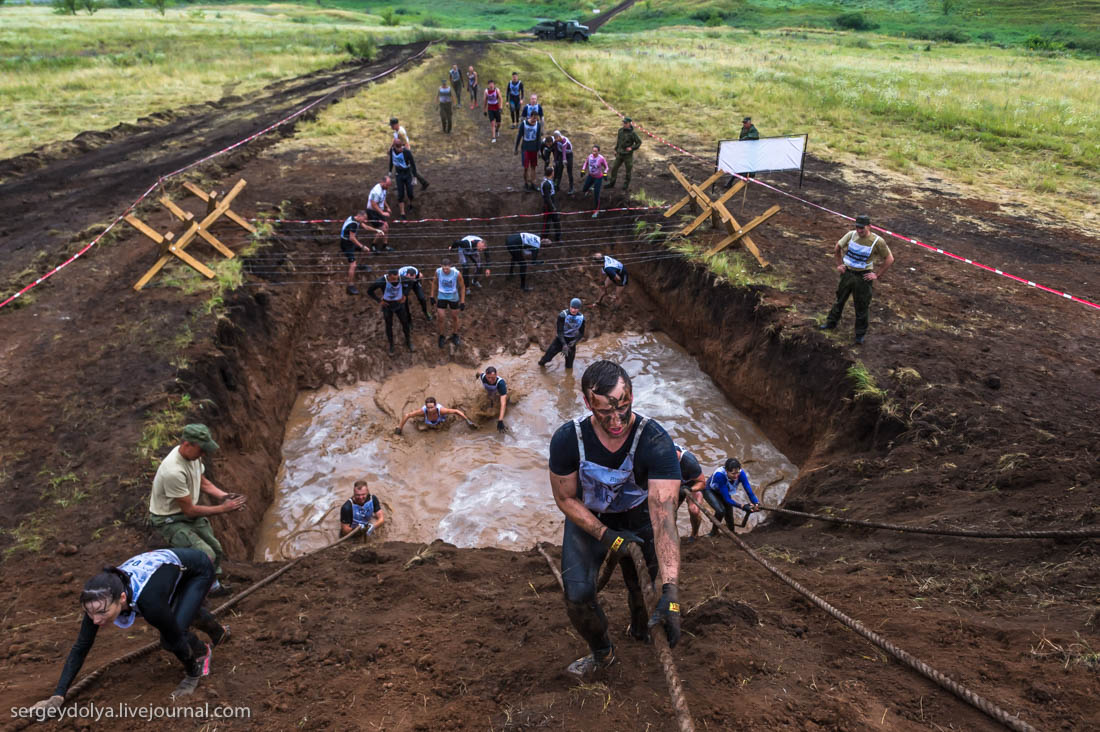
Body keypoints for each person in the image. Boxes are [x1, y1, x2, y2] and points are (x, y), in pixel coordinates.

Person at [548, 360, 682, 678]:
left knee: (645, 586)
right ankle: (602, 653)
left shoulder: (655, 441)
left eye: (623, 408)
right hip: (590, 518)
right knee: (578, 595)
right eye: (605, 413)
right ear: (587, 403)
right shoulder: (569, 440)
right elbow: (565, 498)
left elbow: (664, 519)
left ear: (631, 395)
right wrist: (606, 535)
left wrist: (672, 591)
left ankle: (640, 629)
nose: (617, 420)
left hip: (639, 516)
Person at [30, 548, 229, 710]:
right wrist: (58, 695)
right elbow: (81, 646)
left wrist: (191, 677)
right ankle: (219, 633)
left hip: (197, 570)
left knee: (171, 634)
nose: (96, 620)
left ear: (122, 599)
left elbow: (175, 638)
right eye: (91, 614)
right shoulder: (98, 601)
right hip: (168, 574)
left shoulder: (148, 601)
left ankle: (202, 651)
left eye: (102, 613)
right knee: (178, 611)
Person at [148, 424, 245, 592]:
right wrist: (224, 509)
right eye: (201, 450)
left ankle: (211, 585)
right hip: (169, 519)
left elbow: (203, 481)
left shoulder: (193, 456)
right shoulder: (173, 471)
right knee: (205, 554)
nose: (204, 454)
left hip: (185, 512)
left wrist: (224, 496)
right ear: (187, 445)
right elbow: (190, 510)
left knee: (216, 549)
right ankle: (193, 590)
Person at [820, 214, 895, 345]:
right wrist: (839, 264)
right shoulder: (851, 235)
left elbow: (889, 259)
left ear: (869, 227)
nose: (859, 231)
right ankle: (830, 323)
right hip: (847, 274)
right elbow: (837, 247)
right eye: (857, 227)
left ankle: (859, 335)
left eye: (862, 228)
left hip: (863, 278)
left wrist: (877, 275)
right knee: (839, 300)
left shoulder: (878, 241)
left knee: (862, 306)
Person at [701, 458, 760, 535]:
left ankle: (731, 532)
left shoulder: (741, 474)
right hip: (709, 490)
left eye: (737, 473)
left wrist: (756, 503)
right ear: (726, 471)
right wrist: (742, 506)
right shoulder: (720, 475)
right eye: (733, 473)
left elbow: (749, 492)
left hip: (723, 490)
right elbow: (727, 499)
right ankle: (713, 532)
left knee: (729, 514)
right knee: (721, 510)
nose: (736, 476)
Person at [368, 269, 414, 355]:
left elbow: (411, 282)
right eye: (393, 279)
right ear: (388, 276)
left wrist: (405, 295)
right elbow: (369, 291)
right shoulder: (381, 281)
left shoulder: (401, 278)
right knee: (389, 325)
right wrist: (379, 301)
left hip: (399, 304)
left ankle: (408, 341)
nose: (395, 281)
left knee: (405, 323)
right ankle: (391, 345)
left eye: (396, 279)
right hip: (387, 305)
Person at [538, 297, 585, 370]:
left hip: (571, 342)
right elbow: (559, 331)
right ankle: (540, 368)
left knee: (569, 366)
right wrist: (564, 344)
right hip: (559, 340)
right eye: (572, 307)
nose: (573, 310)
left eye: (575, 308)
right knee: (546, 359)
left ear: (579, 309)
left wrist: (574, 342)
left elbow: (581, 333)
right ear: (569, 306)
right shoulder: (563, 315)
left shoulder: (581, 318)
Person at [673, 445, 706, 541]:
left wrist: (690, 489)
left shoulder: (689, 462)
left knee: (694, 510)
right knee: (669, 511)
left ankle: (694, 534)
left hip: (692, 484)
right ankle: (672, 534)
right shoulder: (661, 456)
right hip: (676, 483)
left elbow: (702, 483)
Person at [339, 211, 375, 296]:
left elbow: (365, 227)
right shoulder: (353, 224)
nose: (365, 220)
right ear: (359, 216)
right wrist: (362, 246)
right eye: (364, 219)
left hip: (348, 242)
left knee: (366, 250)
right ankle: (350, 286)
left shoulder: (354, 218)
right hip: (346, 244)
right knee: (353, 264)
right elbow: (352, 238)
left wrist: (377, 230)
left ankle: (361, 265)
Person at [389, 117, 429, 190]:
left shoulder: (401, 132)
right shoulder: (397, 130)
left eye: (392, 125)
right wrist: (390, 148)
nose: (391, 126)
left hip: (404, 153)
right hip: (400, 152)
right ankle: (399, 184)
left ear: (396, 124)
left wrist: (406, 155)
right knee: (399, 168)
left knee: (411, 169)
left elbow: (406, 144)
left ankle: (424, 182)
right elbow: (395, 139)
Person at [433, 257, 465, 348]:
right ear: (441, 266)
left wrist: (462, 302)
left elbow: (462, 287)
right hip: (442, 296)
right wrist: (432, 296)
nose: (445, 270)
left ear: (451, 266)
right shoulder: (438, 272)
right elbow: (434, 283)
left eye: (447, 268)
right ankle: (442, 336)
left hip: (453, 297)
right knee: (441, 317)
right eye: (443, 268)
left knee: (454, 317)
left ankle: (455, 334)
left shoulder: (456, 273)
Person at [395, 396, 472, 434]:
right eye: (428, 408)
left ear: (435, 405)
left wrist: (467, 420)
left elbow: (456, 411)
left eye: (432, 407)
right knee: (422, 428)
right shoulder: (423, 411)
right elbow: (407, 415)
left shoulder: (441, 410)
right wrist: (399, 428)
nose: (430, 410)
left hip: (442, 420)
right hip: (428, 422)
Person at [606, 117, 642, 192]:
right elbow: (619, 141)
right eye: (623, 123)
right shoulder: (620, 131)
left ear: (629, 124)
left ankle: (626, 185)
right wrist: (616, 150)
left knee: (628, 171)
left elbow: (639, 142)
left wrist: (632, 148)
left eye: (625, 123)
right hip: (620, 153)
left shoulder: (633, 133)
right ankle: (612, 183)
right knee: (614, 168)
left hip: (628, 155)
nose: (624, 124)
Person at [723, 116, 760, 189]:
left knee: (747, 169)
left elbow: (755, 136)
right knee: (739, 167)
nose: (744, 124)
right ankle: (731, 182)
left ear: (749, 123)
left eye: (745, 123)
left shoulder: (753, 130)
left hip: (750, 152)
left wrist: (746, 138)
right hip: (743, 150)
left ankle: (739, 181)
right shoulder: (743, 129)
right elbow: (741, 138)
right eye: (744, 123)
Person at [515, 111, 544, 192]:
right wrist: (516, 148)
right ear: (530, 117)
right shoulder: (523, 124)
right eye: (533, 118)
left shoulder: (538, 124)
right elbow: (519, 136)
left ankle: (533, 183)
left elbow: (539, 138)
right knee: (526, 167)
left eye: (536, 119)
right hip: (525, 148)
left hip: (534, 148)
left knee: (533, 167)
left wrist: (539, 150)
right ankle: (526, 183)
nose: (535, 120)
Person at [475, 366, 509, 432]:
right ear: (486, 375)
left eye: (493, 378)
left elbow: (503, 404)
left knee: (499, 401)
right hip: (489, 391)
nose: (490, 380)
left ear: (496, 375)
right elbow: (479, 372)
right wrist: (476, 376)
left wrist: (500, 420)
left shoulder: (501, 383)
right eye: (489, 377)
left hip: (498, 391)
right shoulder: (483, 377)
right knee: (488, 398)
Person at [388, 139, 415, 220]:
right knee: (400, 194)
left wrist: (415, 177)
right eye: (398, 147)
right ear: (394, 147)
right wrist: (389, 171)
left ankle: (410, 204)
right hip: (399, 174)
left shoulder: (407, 152)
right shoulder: (392, 151)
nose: (400, 149)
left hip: (407, 174)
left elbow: (413, 164)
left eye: (401, 147)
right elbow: (391, 161)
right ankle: (402, 214)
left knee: (410, 192)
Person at [581, 145, 608, 218]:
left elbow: (606, 167)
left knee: (596, 195)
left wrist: (605, 173)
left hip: (598, 178)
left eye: (596, 151)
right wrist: (583, 170)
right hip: (590, 176)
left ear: (598, 151)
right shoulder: (590, 156)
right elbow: (586, 163)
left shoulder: (601, 158)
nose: (594, 153)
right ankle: (589, 189)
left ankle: (596, 210)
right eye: (593, 151)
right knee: (584, 189)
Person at [366, 175, 392, 251]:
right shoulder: (376, 191)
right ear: (383, 182)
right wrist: (382, 213)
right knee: (383, 229)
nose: (388, 187)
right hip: (372, 212)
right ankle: (373, 245)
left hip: (378, 211)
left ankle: (385, 245)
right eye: (387, 185)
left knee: (386, 226)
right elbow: (373, 204)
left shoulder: (383, 188)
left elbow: (382, 199)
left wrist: (387, 207)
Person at [540, 166, 562, 243]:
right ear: (551, 173)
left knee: (556, 220)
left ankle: (558, 237)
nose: (554, 173)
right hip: (548, 205)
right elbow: (547, 197)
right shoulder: (546, 184)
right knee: (547, 222)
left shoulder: (549, 181)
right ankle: (543, 238)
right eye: (553, 171)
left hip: (551, 204)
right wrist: (552, 207)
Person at [553, 130, 575, 194]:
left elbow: (564, 150)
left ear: (559, 136)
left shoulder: (564, 140)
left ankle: (571, 187)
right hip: (561, 155)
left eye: (556, 138)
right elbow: (556, 151)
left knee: (569, 171)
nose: (556, 140)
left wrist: (564, 159)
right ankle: (556, 186)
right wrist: (555, 160)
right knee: (559, 171)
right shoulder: (556, 141)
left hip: (568, 155)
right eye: (555, 138)